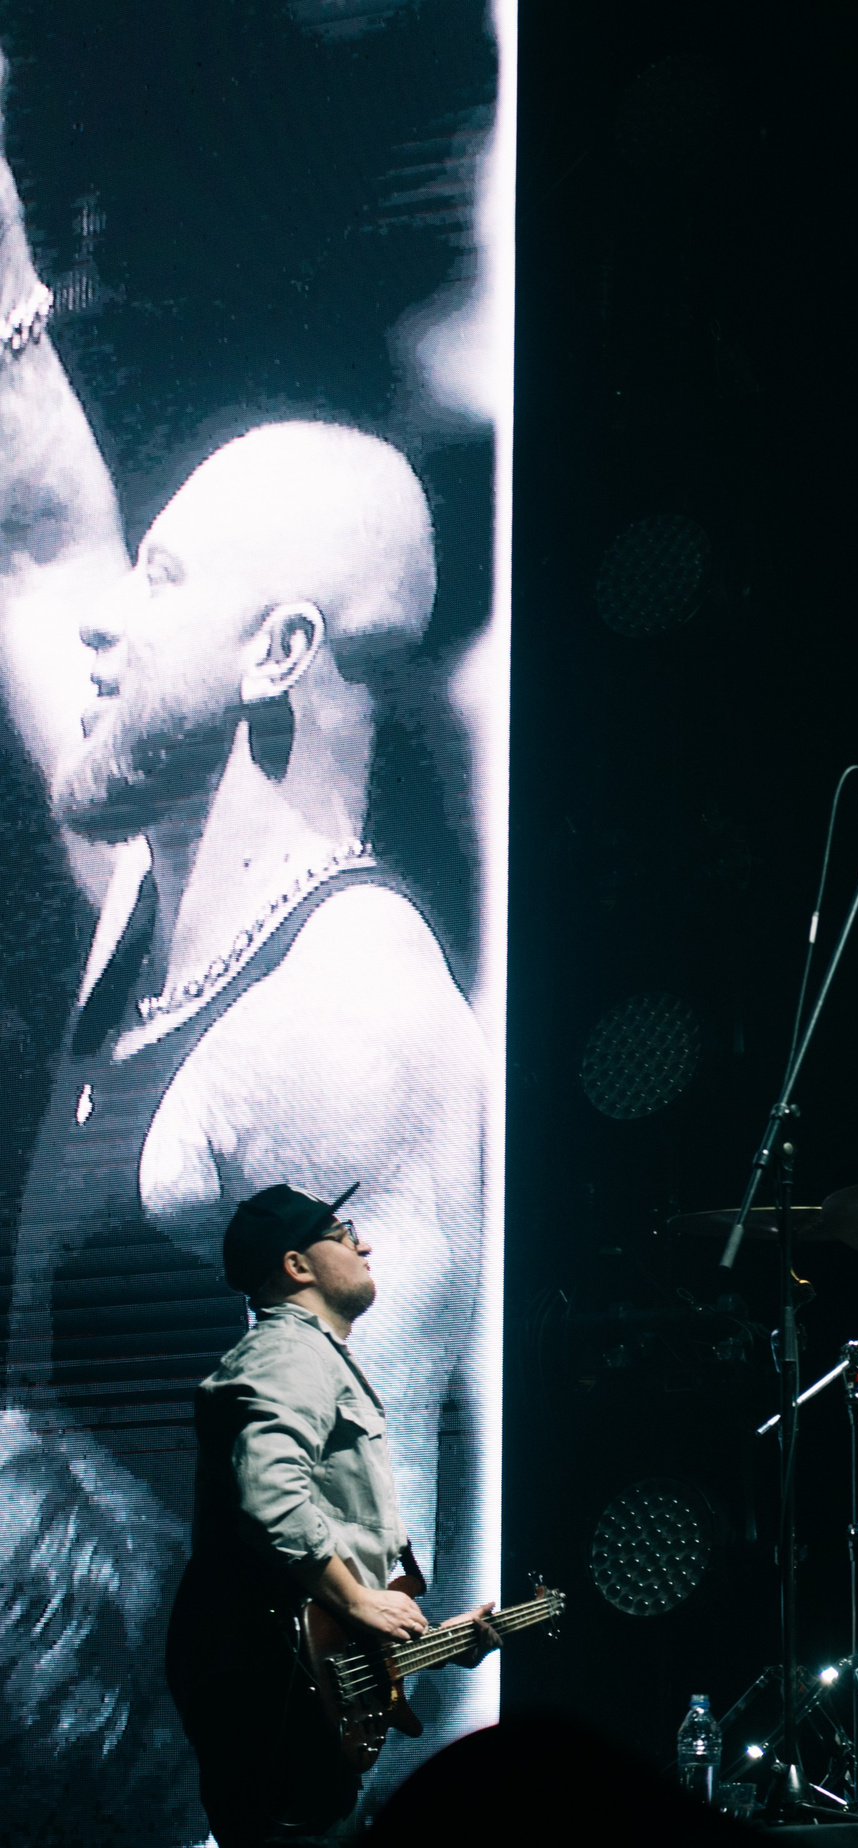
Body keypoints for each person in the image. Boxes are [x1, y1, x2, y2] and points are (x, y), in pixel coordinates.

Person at [0, 71, 491, 1802]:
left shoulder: (346, 1034)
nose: (108, 623)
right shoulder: (151, 892)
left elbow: (369, 1637)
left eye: (169, 577)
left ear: (281, 653)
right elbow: (39, 524)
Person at [165, 1183, 496, 1848]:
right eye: (345, 1235)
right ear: (297, 1266)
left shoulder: (309, 1355)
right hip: (272, 1702)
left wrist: (426, 1642)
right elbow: (270, 1493)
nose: (364, 1245)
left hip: (294, 1698)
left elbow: (330, 1631)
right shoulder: (289, 1352)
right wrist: (357, 1597)